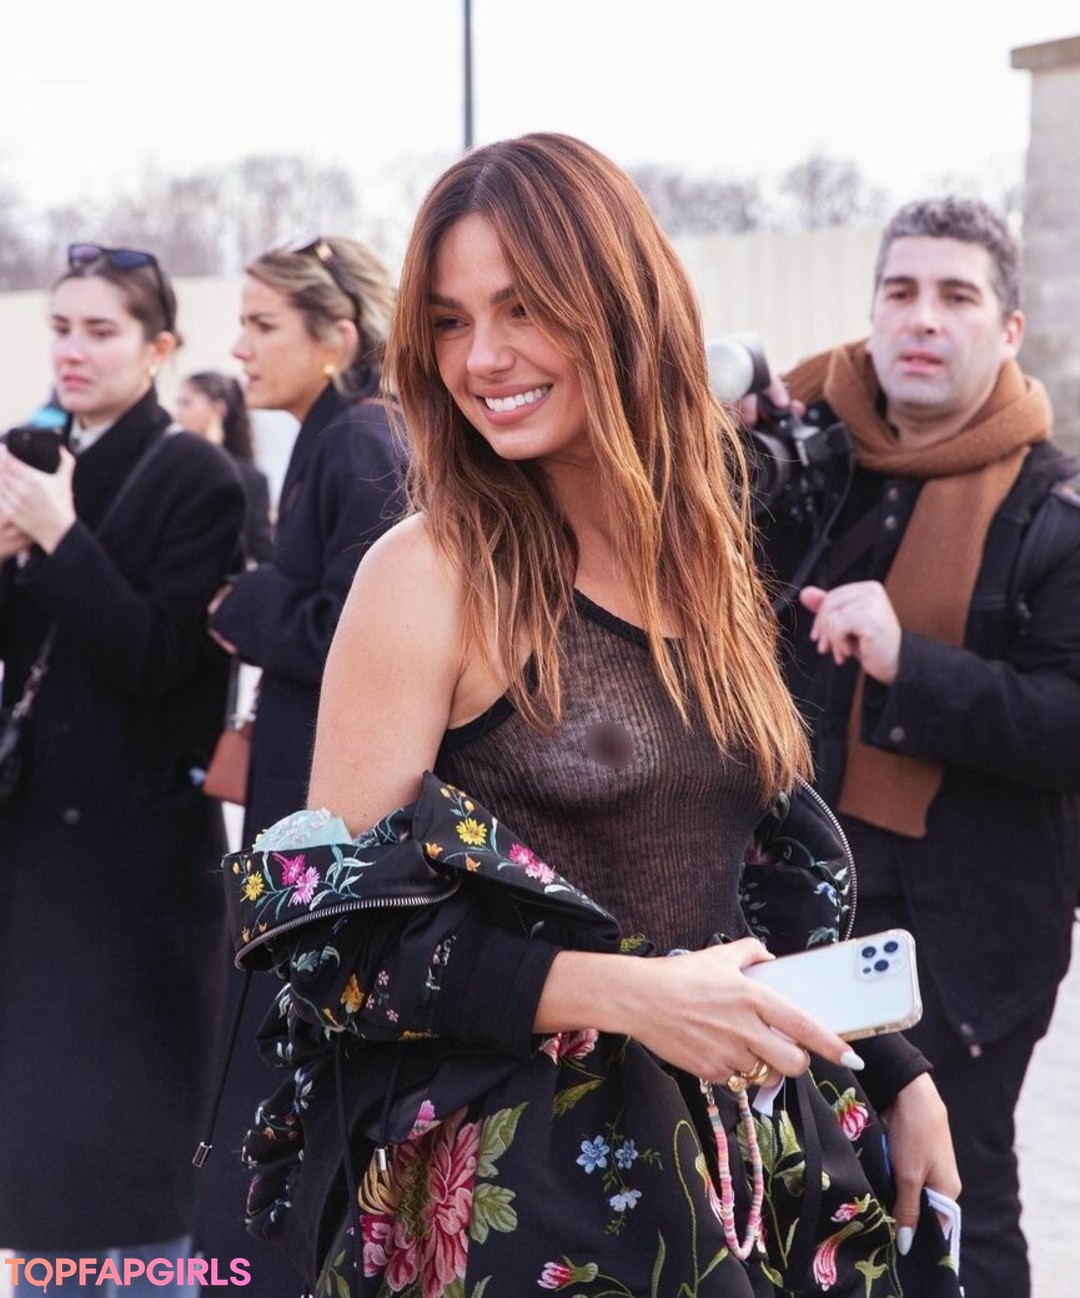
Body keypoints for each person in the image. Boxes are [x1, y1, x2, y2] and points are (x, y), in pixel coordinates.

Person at [221, 135, 962, 1298]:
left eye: (523, 307)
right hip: (529, 1203)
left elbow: (736, 865)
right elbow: (333, 939)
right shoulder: (430, 571)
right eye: (451, 321)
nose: (483, 357)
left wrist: (894, 1066)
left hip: (739, 1168)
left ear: (621, 306)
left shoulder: (699, 548)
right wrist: (627, 993)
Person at [752, 195, 1080, 1298]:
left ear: (1009, 328)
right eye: (900, 291)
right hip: (791, 906)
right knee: (803, 1198)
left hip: (967, 934)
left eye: (956, 296)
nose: (923, 318)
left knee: (952, 1204)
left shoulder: (1054, 507)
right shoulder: (803, 462)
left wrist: (913, 664)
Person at [0, 244, 245, 1294]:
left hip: (138, 871)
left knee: (141, 1161)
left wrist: (59, 537)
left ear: (159, 348)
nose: (73, 350)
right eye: (61, 326)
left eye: (101, 331)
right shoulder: (30, 453)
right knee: (38, 1159)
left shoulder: (199, 478)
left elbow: (161, 659)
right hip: (33, 859)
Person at [195, 234, 406, 1295]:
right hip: (303, 803)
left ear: (337, 336)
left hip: (330, 822)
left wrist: (244, 604)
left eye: (262, 324)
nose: (239, 346)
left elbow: (364, 632)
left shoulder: (361, 440)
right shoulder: (334, 433)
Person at [175, 370, 274, 564]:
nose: (176, 413)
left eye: (186, 403)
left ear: (217, 409)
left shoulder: (249, 478)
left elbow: (262, 549)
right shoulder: (170, 463)